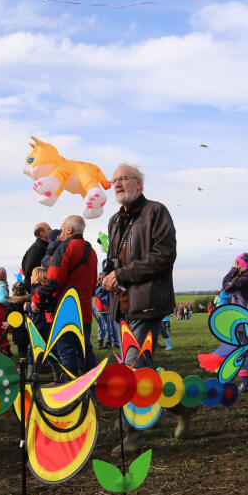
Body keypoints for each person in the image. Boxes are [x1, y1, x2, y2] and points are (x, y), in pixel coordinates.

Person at [100, 164, 190, 455]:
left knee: (133, 370)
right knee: (142, 370)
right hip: (121, 306)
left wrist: (123, 275)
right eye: (114, 181)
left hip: (147, 302)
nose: (116, 184)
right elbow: (115, 258)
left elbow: (164, 255)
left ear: (138, 182)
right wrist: (108, 274)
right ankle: (181, 408)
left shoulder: (156, 211)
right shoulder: (115, 220)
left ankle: (135, 435)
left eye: (122, 179)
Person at [34, 215, 98, 375]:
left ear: (69, 229)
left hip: (65, 310)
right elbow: (93, 285)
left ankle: (71, 391)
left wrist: (36, 297)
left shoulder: (64, 248)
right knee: (85, 349)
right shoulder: (92, 251)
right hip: (84, 309)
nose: (61, 229)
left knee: (67, 351)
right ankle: (94, 386)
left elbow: (53, 281)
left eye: (62, 226)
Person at [222, 253, 248, 392]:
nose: (235, 265)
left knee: (245, 350)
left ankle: (247, 384)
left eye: (237, 263)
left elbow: (226, 286)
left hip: (243, 323)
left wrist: (232, 270)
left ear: (242, 265)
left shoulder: (243, 280)